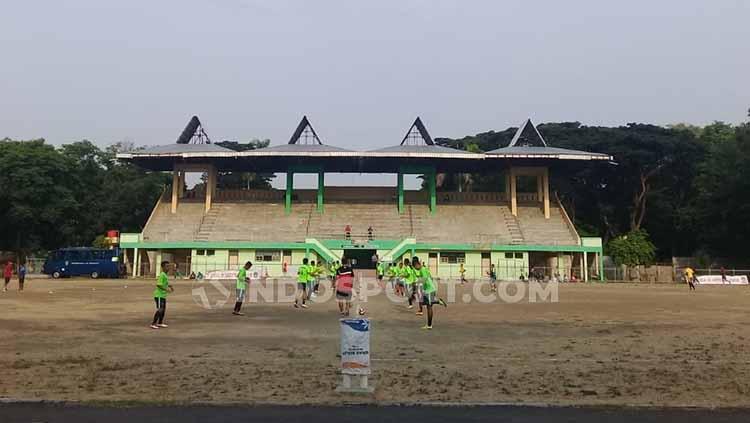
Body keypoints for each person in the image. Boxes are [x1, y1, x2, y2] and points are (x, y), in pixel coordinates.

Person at [413, 257, 447, 330]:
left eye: (415, 267)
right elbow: (430, 277)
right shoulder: (425, 269)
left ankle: (429, 325)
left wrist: (417, 282)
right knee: (425, 304)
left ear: (417, 265)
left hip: (429, 290)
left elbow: (424, 279)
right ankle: (437, 302)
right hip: (430, 289)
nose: (416, 269)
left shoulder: (422, 269)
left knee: (429, 306)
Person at [150, 261, 174, 329]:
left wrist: (170, 286)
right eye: (166, 266)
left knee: (163, 310)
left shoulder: (165, 275)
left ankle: (160, 323)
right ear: (163, 267)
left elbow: (165, 283)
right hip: (159, 295)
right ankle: (153, 323)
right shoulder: (162, 275)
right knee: (160, 309)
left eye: (168, 266)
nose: (168, 268)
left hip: (163, 295)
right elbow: (159, 284)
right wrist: (166, 290)